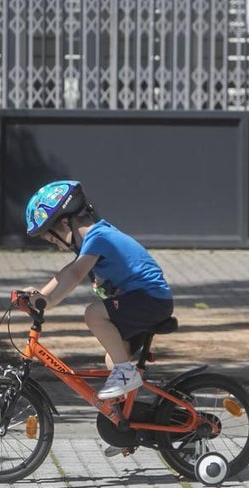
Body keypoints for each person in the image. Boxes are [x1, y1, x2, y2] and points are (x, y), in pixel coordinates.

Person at [22, 180, 174, 453]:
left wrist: (46, 300)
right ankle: (127, 428)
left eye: (52, 238)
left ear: (65, 224)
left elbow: (74, 274)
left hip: (150, 300)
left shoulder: (98, 236)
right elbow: (66, 273)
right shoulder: (92, 242)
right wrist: (40, 298)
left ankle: (126, 374)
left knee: (94, 313)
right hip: (140, 303)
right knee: (113, 358)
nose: (55, 245)